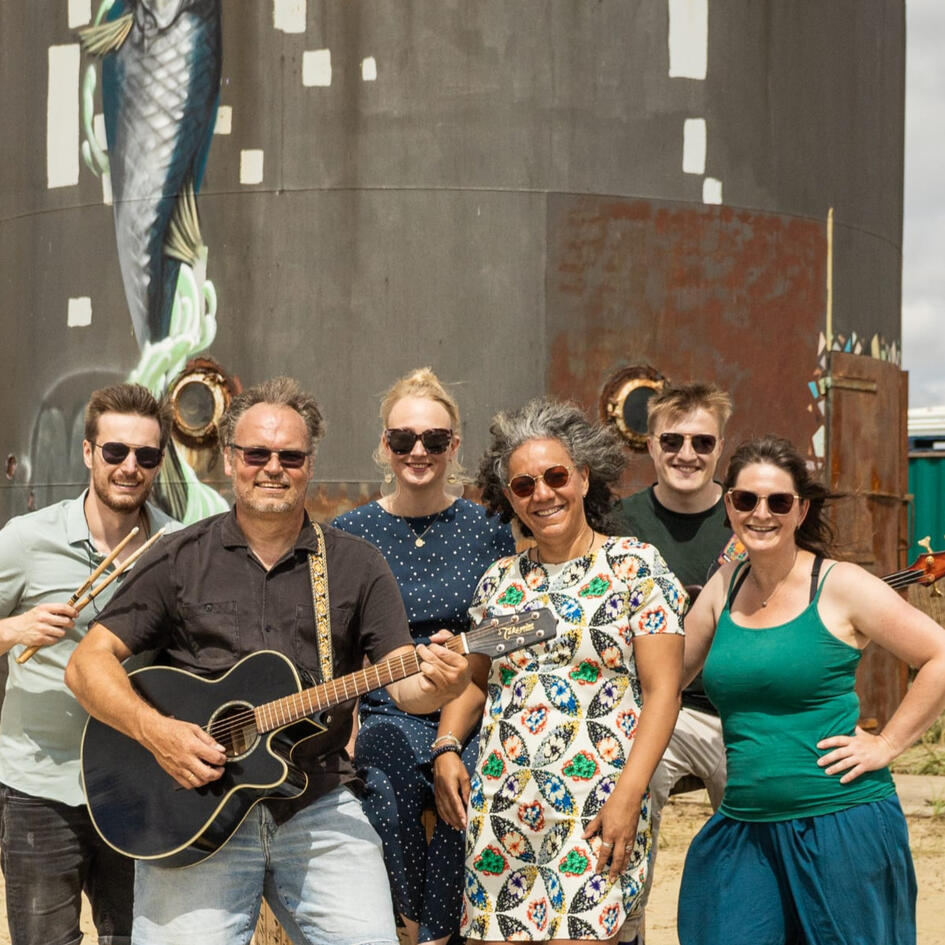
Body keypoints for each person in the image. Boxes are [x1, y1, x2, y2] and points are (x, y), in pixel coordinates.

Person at [65, 376, 472, 945]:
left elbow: (406, 686)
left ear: (310, 465)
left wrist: (441, 685)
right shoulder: (179, 556)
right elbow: (87, 664)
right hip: (193, 805)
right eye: (257, 453)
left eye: (290, 455)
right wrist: (159, 734)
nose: (272, 467)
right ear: (231, 461)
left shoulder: (357, 564)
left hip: (318, 805)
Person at [677, 434, 945, 945]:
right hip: (745, 828)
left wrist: (887, 744)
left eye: (778, 501)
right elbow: (665, 682)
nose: (762, 513)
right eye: (746, 499)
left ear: (800, 510)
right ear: (729, 505)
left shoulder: (840, 584)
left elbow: (939, 655)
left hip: (840, 827)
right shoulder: (723, 586)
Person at [459, 398, 686, 943]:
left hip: (595, 807)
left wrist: (629, 797)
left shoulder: (635, 566)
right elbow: (473, 682)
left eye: (555, 476)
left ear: (583, 478)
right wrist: (447, 744)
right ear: (510, 499)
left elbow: (663, 692)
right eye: (523, 485)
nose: (542, 493)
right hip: (503, 812)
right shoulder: (499, 580)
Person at [332, 367, 516, 945]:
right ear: (384, 446)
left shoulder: (490, 527)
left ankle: (439, 934)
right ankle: (408, 929)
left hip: (472, 702)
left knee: (476, 790)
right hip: (386, 705)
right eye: (403, 439)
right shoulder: (350, 532)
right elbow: (339, 641)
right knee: (381, 789)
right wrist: (349, 720)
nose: (419, 451)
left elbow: (504, 631)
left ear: (453, 446)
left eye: (434, 440)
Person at [0, 382, 177, 945]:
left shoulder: (176, 548)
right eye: (115, 451)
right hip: (39, 783)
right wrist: (14, 629)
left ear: (159, 463)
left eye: (145, 456)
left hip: (138, 783)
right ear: (87, 452)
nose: (129, 467)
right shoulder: (28, 540)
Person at [609, 382, 733, 941]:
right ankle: (625, 924)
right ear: (652, 445)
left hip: (738, 707)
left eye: (702, 441)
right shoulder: (618, 523)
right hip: (657, 706)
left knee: (756, 804)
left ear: (720, 446)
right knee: (629, 783)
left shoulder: (753, 512)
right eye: (673, 440)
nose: (688, 453)